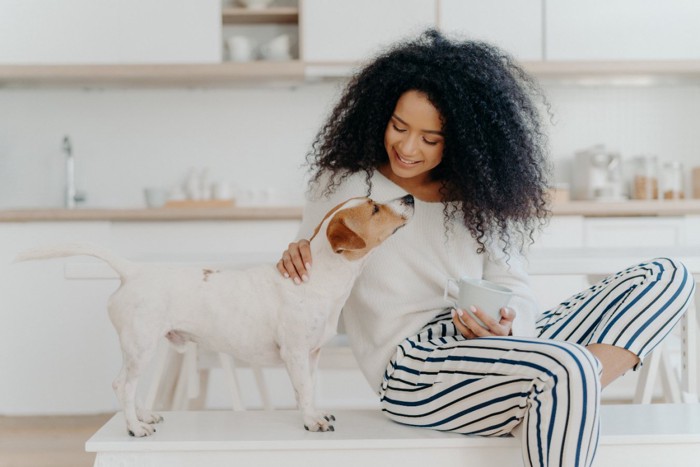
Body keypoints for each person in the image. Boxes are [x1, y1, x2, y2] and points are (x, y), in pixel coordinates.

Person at [276, 29, 695, 467]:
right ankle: (554, 391)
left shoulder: (482, 196)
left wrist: (509, 327)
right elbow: (311, 279)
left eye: (430, 138)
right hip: (415, 369)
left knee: (669, 277)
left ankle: (547, 394)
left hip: (497, 348)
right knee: (565, 367)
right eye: (399, 126)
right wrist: (294, 258)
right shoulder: (346, 185)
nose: (406, 146)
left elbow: (514, 288)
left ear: (460, 141)